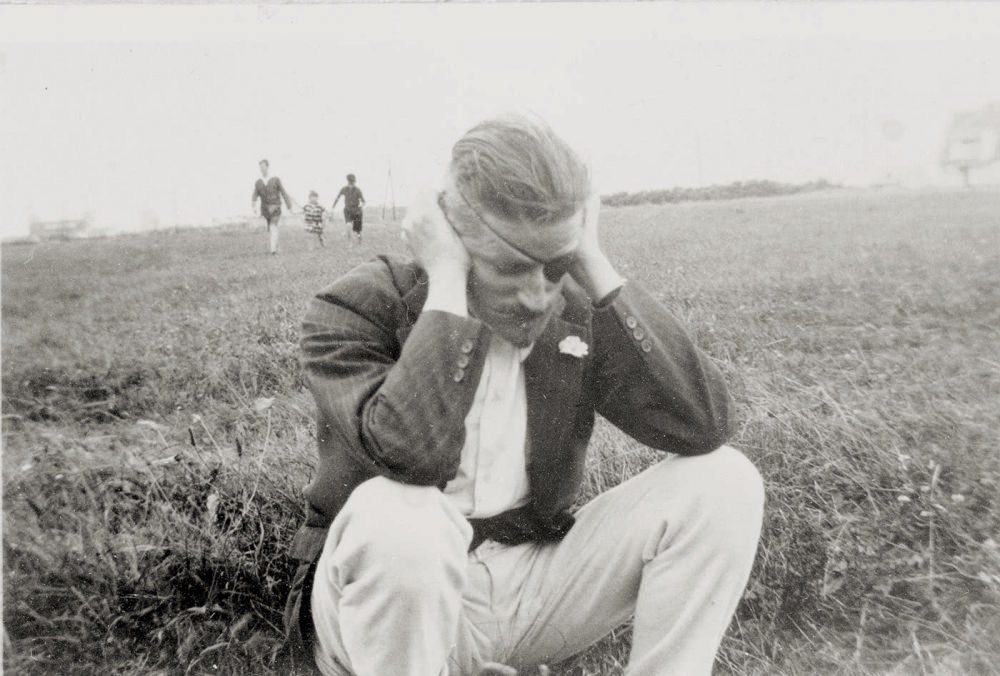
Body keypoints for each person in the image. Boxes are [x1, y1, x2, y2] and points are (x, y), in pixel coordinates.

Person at [282, 114, 765, 676]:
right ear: (450, 237)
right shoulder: (357, 306)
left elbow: (701, 425)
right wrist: (446, 286)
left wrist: (591, 261)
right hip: (386, 615)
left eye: (555, 265)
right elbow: (413, 459)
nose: (539, 297)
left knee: (723, 480)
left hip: (527, 585)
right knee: (399, 513)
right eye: (512, 267)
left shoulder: (573, 307)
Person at [252, 159, 294, 255]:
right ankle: (275, 246)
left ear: (267, 167)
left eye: (263, 166)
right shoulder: (258, 182)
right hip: (265, 209)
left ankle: (273, 249)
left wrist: (289, 206)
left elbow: (283, 192)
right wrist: (253, 205)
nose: (262, 169)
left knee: (273, 226)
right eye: (260, 167)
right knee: (271, 228)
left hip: (276, 206)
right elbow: (255, 194)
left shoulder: (275, 179)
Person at [332, 173, 365, 245]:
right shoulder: (344, 189)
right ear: (348, 181)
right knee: (348, 226)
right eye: (350, 182)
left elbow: (363, 201)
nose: (351, 184)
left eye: (352, 182)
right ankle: (350, 242)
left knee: (357, 229)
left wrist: (361, 207)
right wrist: (333, 206)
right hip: (347, 210)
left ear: (354, 182)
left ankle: (359, 239)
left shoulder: (358, 190)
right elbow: (338, 197)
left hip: (356, 211)